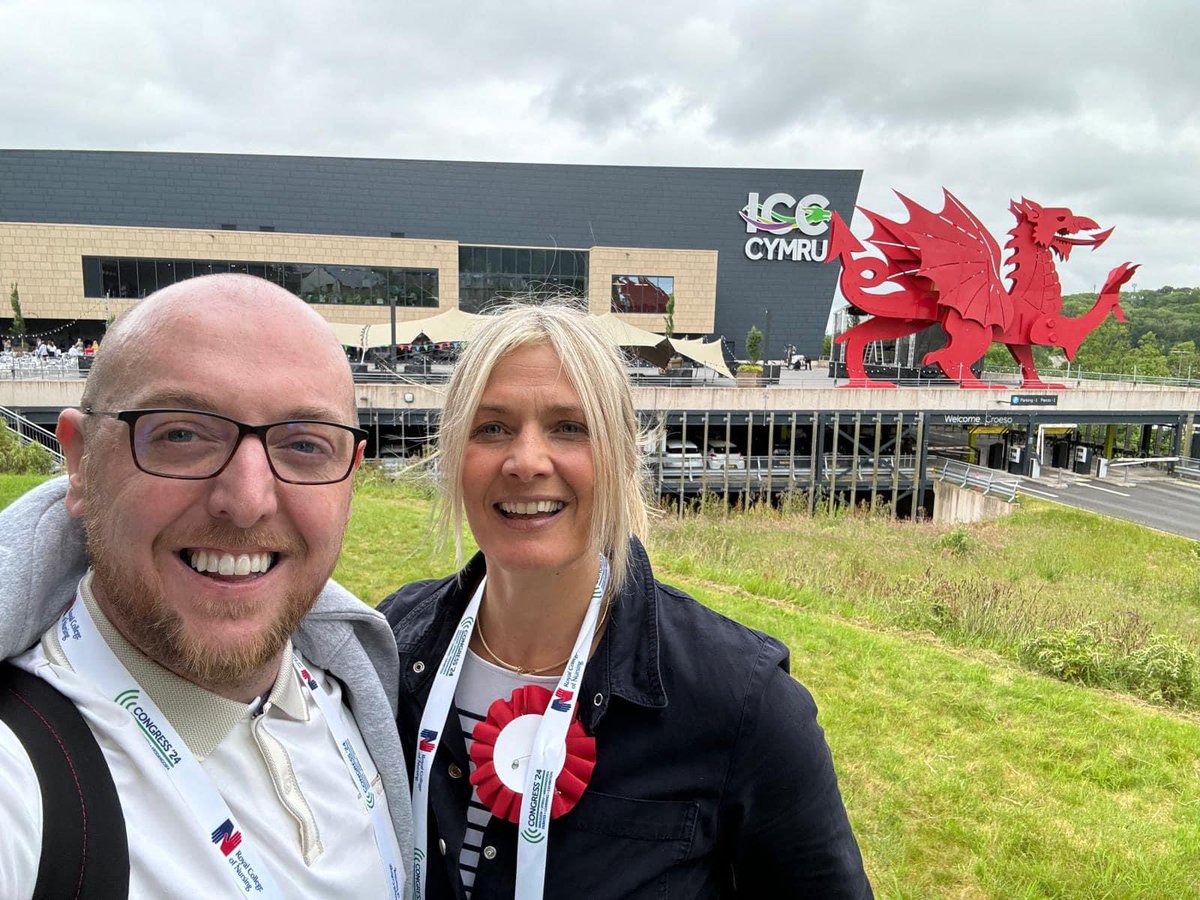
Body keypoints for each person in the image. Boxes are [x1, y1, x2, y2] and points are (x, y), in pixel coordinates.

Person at [380, 303, 872, 898]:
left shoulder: (743, 702)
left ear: (623, 457)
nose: (526, 461)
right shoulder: (386, 651)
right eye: (491, 429)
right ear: (454, 455)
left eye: (570, 427)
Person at [0, 274, 412, 897]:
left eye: (305, 444)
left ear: (350, 478)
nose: (246, 502)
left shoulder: (357, 693)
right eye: (182, 434)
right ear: (80, 462)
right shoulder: (22, 788)